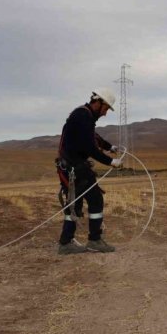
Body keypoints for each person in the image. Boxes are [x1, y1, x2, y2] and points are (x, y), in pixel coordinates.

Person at [55, 88, 123, 254]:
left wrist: (109, 147)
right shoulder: (83, 116)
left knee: (75, 204)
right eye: (106, 109)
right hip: (75, 168)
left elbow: (92, 136)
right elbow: (89, 146)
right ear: (98, 102)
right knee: (95, 200)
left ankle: (66, 242)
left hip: (72, 167)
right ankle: (94, 240)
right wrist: (110, 161)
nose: (105, 113)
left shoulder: (83, 115)